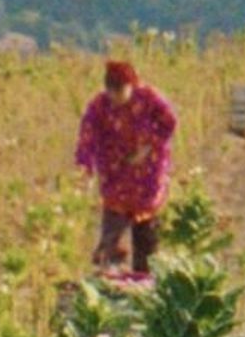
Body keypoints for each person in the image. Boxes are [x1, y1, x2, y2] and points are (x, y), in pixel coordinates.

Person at [74, 58, 178, 279]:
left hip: (146, 177)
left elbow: (169, 123)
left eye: (120, 91)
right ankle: (110, 281)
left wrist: (148, 146)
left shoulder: (149, 98)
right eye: (111, 92)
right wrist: (85, 167)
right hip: (116, 177)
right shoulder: (99, 106)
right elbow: (87, 137)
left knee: (147, 238)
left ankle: (145, 281)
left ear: (132, 86)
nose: (115, 97)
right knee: (112, 235)